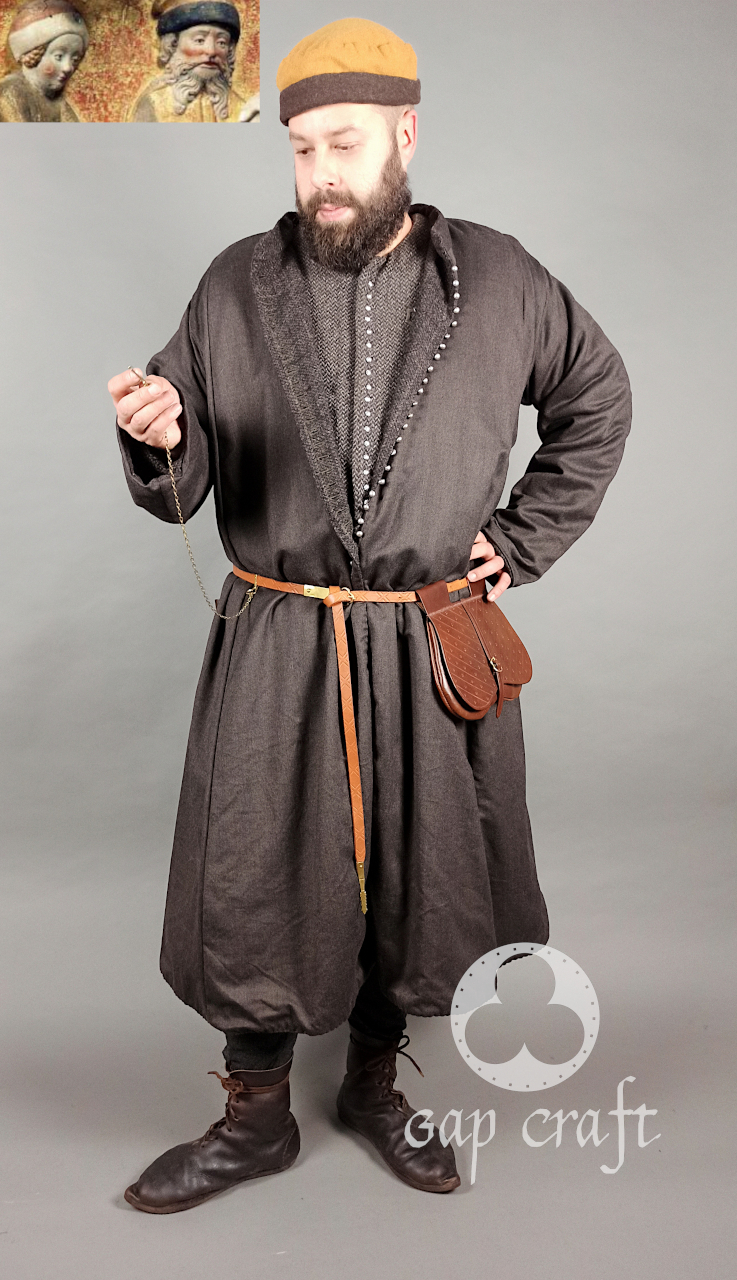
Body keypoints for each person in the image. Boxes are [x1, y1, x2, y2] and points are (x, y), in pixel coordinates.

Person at [108, 16, 631, 1213]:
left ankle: (372, 1085)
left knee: (419, 871)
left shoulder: (501, 277)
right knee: (255, 872)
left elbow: (595, 397)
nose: (319, 174)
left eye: (341, 143)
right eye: (299, 149)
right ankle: (252, 1120)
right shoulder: (233, 283)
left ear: (404, 132)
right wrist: (159, 432)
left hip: (428, 634)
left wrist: (523, 538)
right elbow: (181, 478)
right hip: (280, 640)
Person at [128, 0, 259, 123]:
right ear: (173, 45)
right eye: (199, 40)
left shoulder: (243, 107)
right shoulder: (155, 104)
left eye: (221, 43)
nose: (211, 51)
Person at [0, 0, 88, 123]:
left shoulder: (60, 102)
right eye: (59, 57)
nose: (68, 67)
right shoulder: (9, 92)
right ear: (33, 55)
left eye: (75, 60)